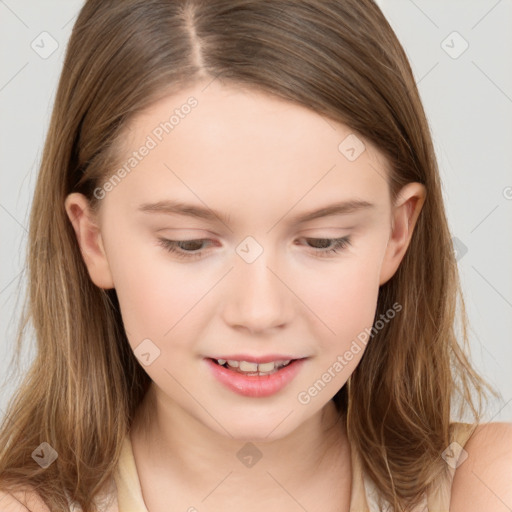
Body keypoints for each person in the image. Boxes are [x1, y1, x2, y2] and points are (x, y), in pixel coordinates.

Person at [0, 1, 511, 511]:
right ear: (94, 240)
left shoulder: (486, 486)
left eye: (323, 240)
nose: (260, 311)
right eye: (189, 243)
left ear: (397, 233)